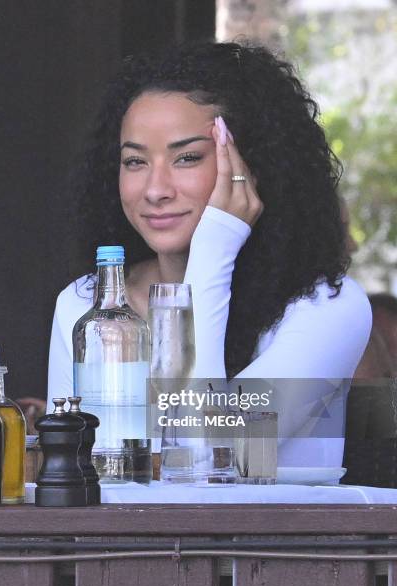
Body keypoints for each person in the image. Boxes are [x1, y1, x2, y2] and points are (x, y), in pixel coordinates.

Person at [47, 40, 372, 469]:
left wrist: (216, 244)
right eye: (134, 162)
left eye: (187, 157)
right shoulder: (87, 305)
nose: (156, 189)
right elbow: (70, 472)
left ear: (251, 165)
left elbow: (208, 453)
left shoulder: (327, 308)